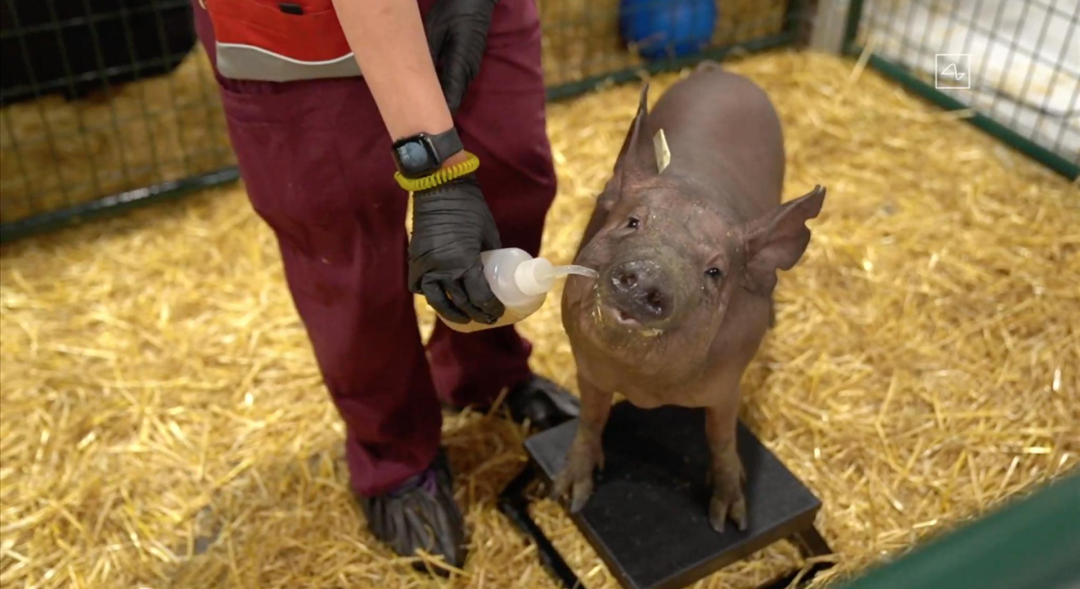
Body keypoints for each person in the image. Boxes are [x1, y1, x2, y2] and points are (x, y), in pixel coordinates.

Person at [190, 0, 579, 569]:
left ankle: (481, 371)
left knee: (510, 170)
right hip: (301, 25)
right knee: (346, 244)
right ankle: (394, 451)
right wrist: (437, 170)